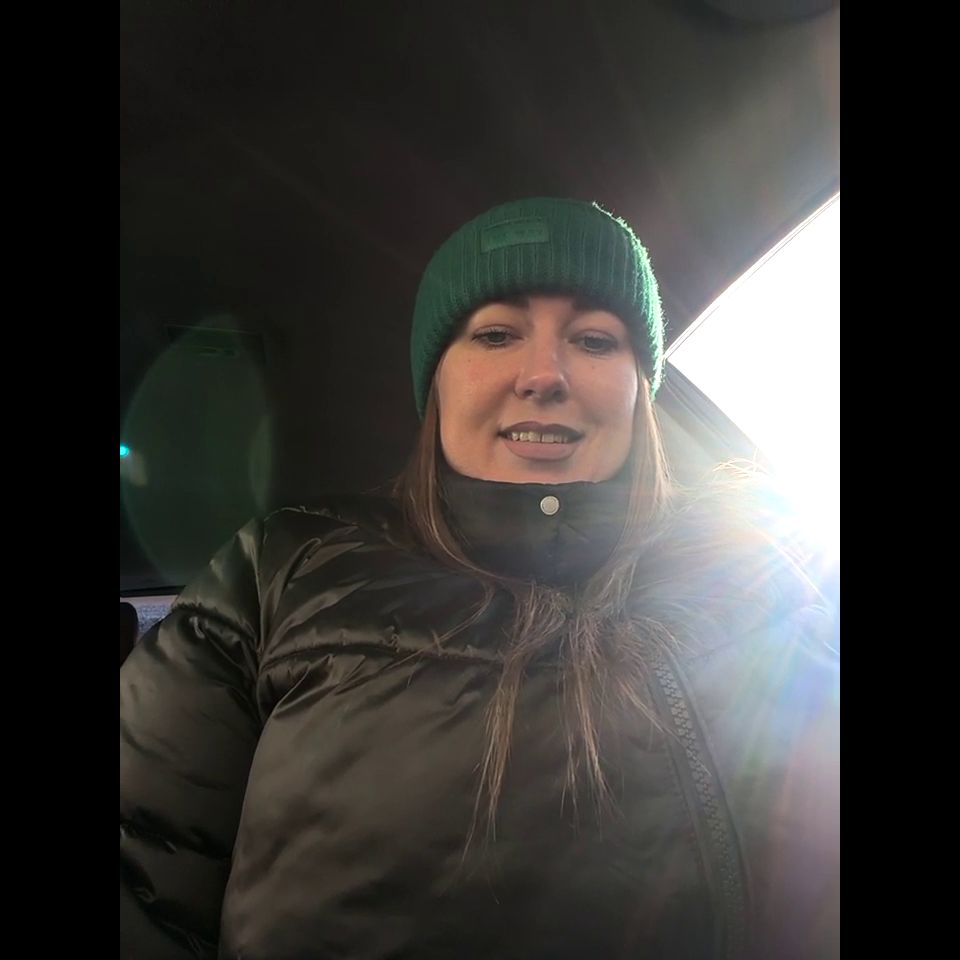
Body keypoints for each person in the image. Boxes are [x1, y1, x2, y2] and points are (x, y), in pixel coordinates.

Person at [120, 197, 839, 960]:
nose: (544, 375)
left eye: (595, 339)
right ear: (436, 380)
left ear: (639, 387)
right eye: (496, 334)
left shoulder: (764, 581)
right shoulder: (278, 571)